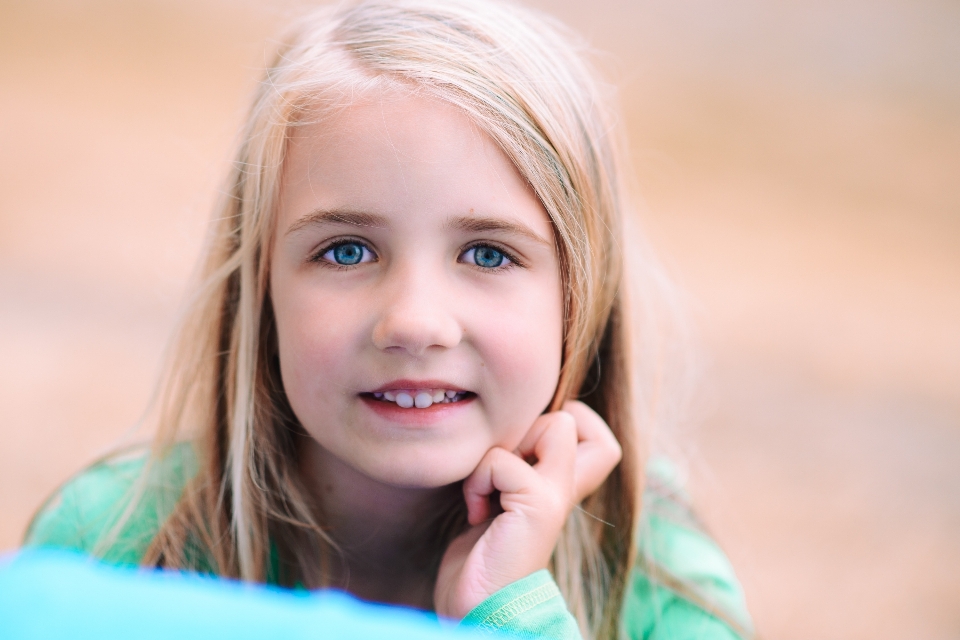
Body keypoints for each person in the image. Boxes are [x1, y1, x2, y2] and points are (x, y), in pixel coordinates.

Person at [24, 1, 753, 638]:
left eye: (489, 254)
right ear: (259, 284)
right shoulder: (113, 548)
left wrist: (507, 614)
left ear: (579, 295)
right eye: (346, 250)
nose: (413, 321)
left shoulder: (661, 589)